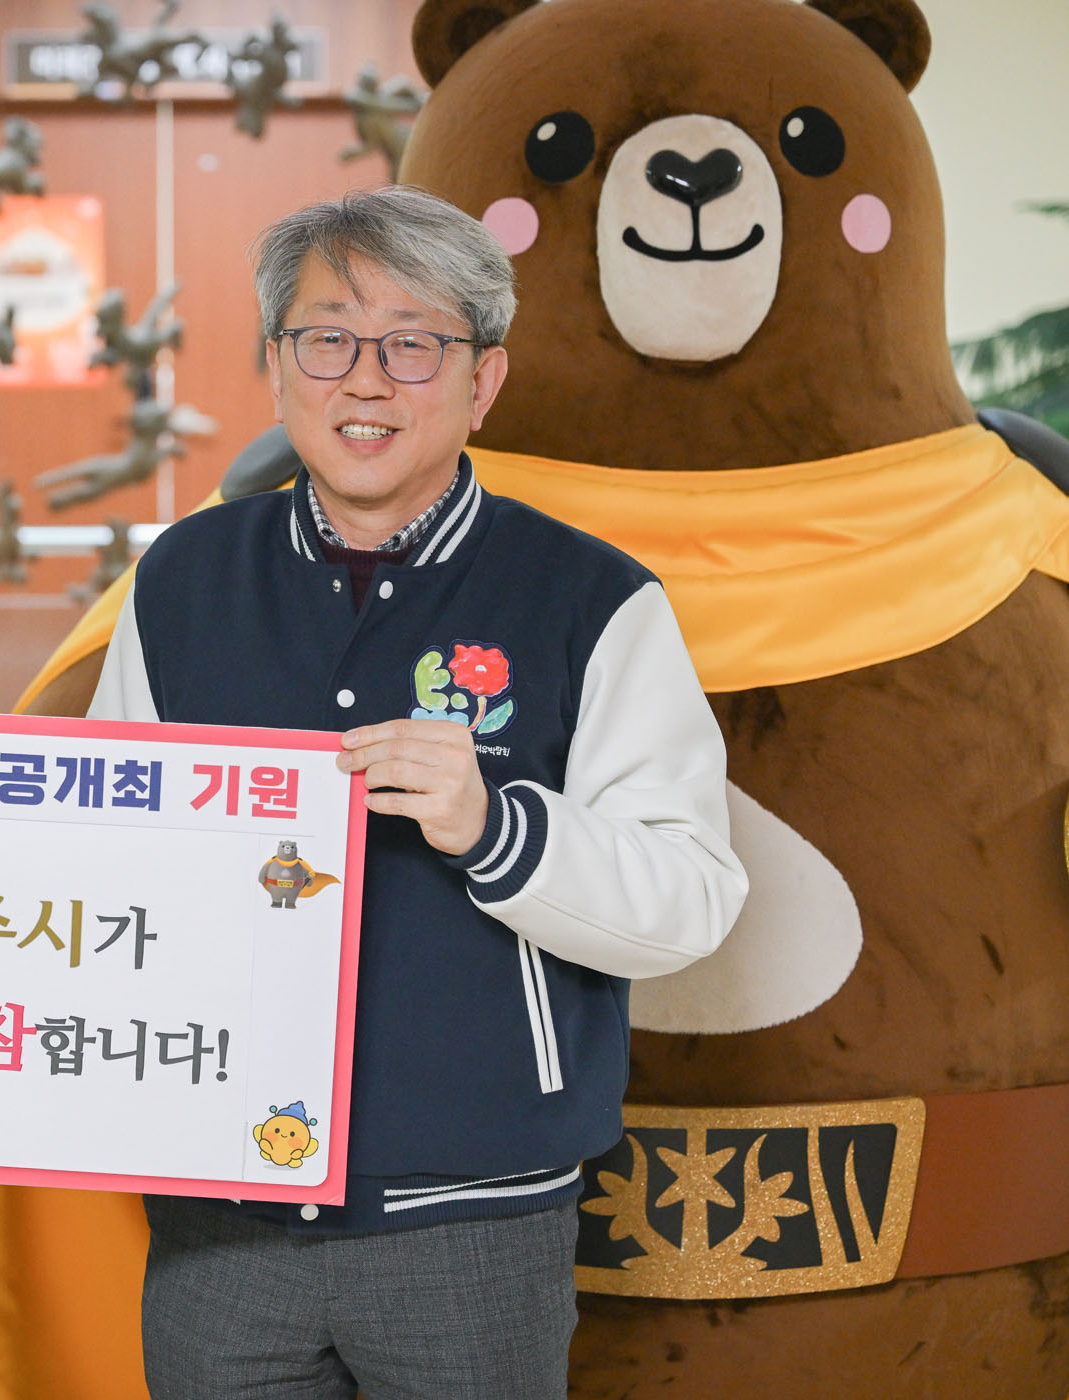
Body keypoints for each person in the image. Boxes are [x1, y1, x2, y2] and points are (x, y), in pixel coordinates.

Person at [88, 187, 748, 1398]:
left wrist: (497, 826)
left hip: (475, 1221)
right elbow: (103, 856)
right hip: (221, 1212)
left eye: (412, 344)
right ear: (277, 365)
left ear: (483, 380)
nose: (366, 380)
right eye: (327, 339)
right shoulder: (183, 578)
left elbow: (692, 895)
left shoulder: (592, 597)